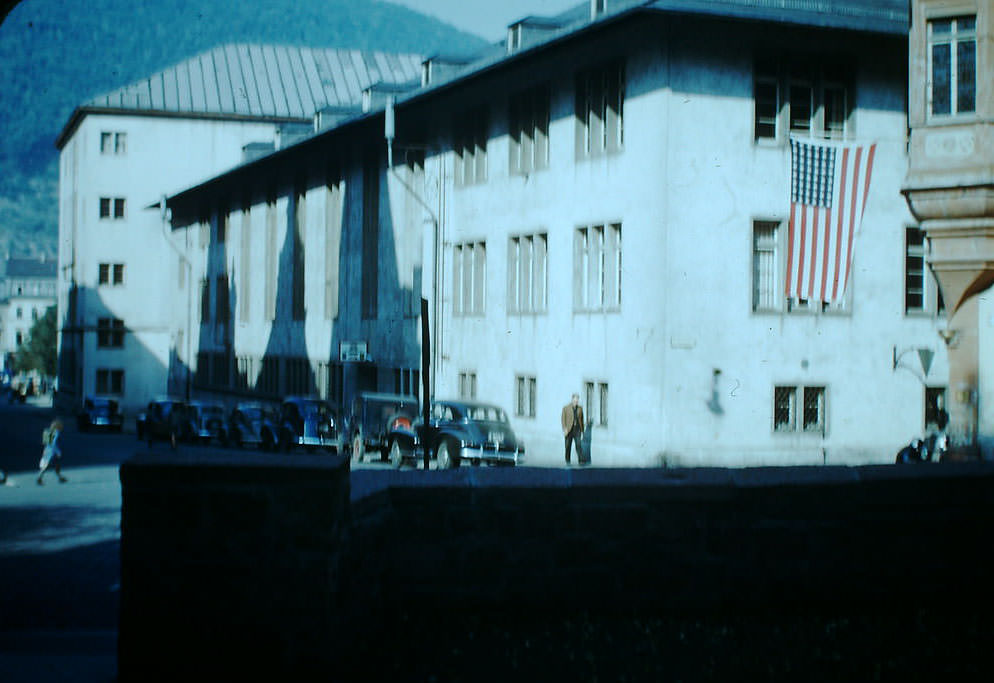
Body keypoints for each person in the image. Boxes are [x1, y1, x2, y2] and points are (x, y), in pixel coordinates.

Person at [37, 419, 67, 485]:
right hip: (53, 451)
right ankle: (39, 478)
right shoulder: (57, 432)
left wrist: (44, 451)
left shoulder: (48, 431)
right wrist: (58, 452)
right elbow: (54, 443)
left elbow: (45, 443)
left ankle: (60, 478)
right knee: (52, 465)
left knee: (50, 465)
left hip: (47, 450)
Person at [561, 393, 586, 466]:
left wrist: (582, 431)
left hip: (577, 430)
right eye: (575, 400)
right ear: (572, 400)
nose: (576, 402)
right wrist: (564, 429)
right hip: (569, 430)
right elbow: (563, 419)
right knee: (568, 446)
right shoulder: (566, 408)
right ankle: (567, 460)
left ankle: (581, 460)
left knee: (578, 445)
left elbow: (581, 420)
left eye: (577, 400)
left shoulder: (580, 409)